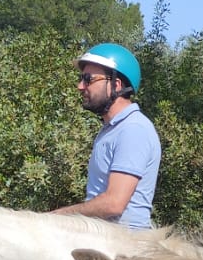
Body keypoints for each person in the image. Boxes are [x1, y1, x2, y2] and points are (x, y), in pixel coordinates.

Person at [56, 43, 161, 229]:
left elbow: (114, 203)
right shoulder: (112, 128)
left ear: (116, 85)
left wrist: (57, 217)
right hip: (103, 237)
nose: (80, 86)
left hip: (124, 243)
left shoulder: (133, 129)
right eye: (81, 79)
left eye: (88, 79)